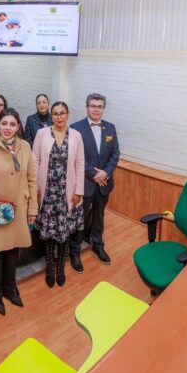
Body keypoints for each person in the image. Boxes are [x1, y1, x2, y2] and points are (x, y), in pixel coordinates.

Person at [0, 108, 38, 315]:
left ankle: (10, 289)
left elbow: (32, 178)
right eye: (4, 123)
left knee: (12, 251)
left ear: (18, 126)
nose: (8, 128)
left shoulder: (25, 146)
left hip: (19, 207)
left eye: (12, 124)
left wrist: (33, 207)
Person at [33, 102, 85, 288]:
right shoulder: (42, 133)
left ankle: (60, 267)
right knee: (48, 232)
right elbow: (35, 161)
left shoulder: (76, 135)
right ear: (51, 116)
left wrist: (79, 191)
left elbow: (80, 164)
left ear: (68, 114)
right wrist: (35, 188)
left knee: (64, 231)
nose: (59, 116)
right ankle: (50, 266)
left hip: (67, 192)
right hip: (47, 191)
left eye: (62, 113)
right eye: (55, 113)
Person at [69, 94, 120, 271]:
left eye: (99, 106)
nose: (96, 109)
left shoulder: (110, 128)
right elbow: (74, 157)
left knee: (99, 216)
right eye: (93, 106)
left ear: (103, 108)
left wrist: (106, 172)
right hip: (84, 183)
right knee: (80, 219)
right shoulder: (75, 128)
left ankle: (97, 244)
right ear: (87, 107)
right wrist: (94, 174)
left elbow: (115, 154)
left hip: (104, 182)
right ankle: (74, 251)